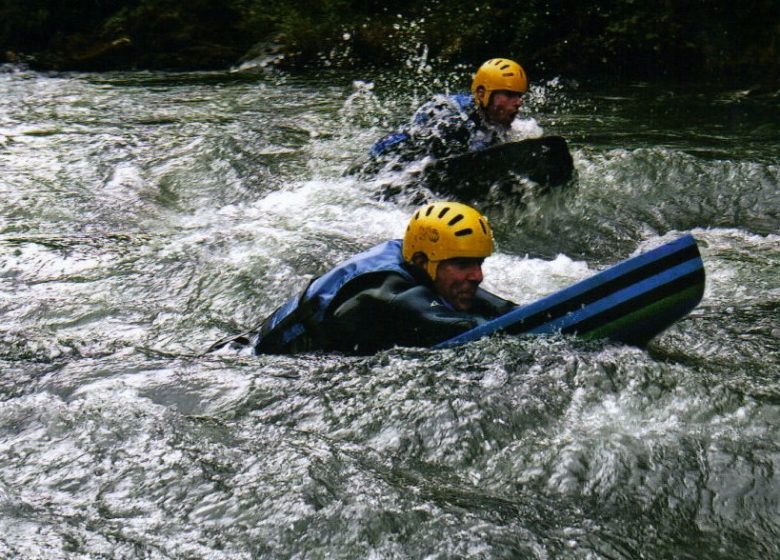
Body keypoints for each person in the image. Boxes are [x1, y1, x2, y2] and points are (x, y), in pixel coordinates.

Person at [236, 201, 516, 355]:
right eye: (463, 264)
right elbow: (457, 325)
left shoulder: (421, 258)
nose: (477, 276)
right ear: (422, 261)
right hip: (254, 363)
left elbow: (500, 310)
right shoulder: (386, 291)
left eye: (479, 263)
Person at [365, 58, 534, 169]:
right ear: (482, 94)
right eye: (509, 95)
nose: (518, 102)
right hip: (383, 164)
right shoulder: (453, 124)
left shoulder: (492, 119)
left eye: (519, 95)